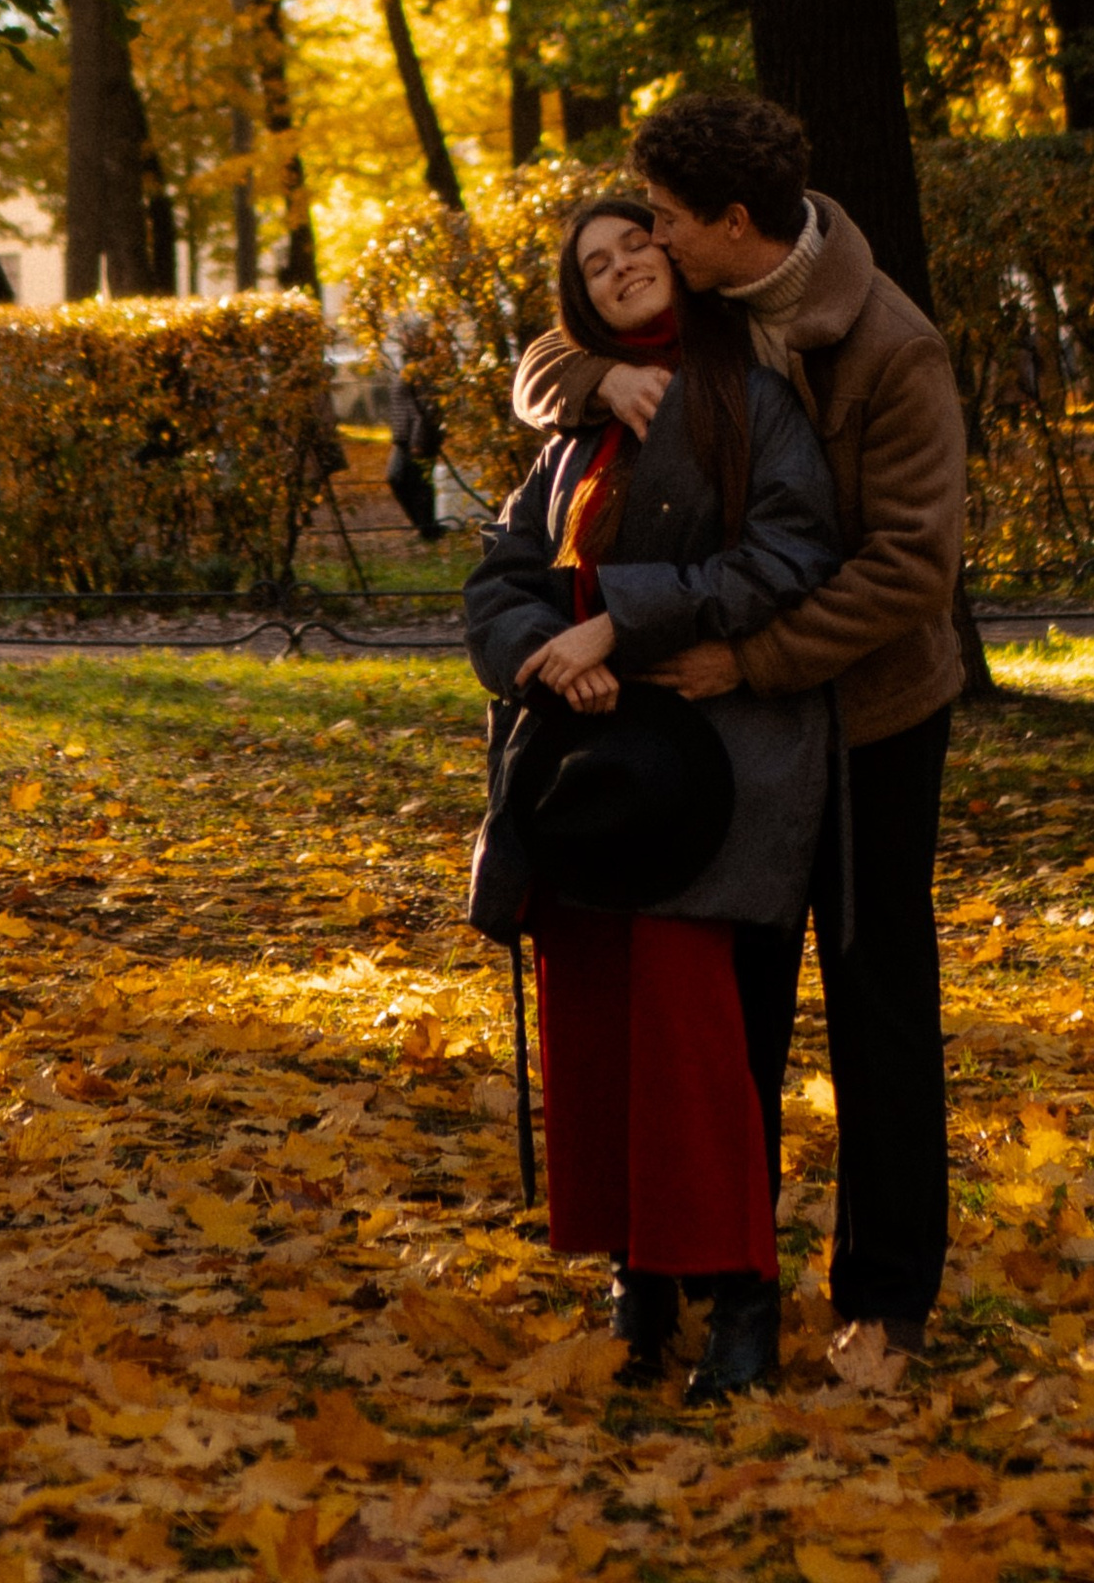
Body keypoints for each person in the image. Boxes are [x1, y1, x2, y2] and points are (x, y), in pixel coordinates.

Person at [512, 91, 966, 1383]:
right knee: (732, 1006)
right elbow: (545, 360)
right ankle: (727, 1278)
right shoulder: (701, 305)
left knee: (878, 998)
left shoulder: (890, 347)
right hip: (737, 741)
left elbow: (910, 572)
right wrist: (602, 374)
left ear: (732, 223)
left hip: (871, 718)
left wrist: (745, 656)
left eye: (664, 216)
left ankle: (888, 1298)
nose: (647, 235)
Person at [466, 191, 840, 1402]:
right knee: (594, 1031)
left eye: (639, 247)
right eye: (596, 261)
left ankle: (736, 1291)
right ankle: (640, 1278)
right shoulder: (572, 432)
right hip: (584, 776)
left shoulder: (754, 397)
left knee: (687, 1041)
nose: (622, 266)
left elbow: (790, 555)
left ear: (681, 263)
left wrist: (620, 625)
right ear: (580, 297)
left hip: (713, 769)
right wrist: (541, 653)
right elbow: (501, 575)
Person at [386, 327, 447, 542]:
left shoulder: (420, 371)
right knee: (401, 479)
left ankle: (428, 529)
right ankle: (425, 527)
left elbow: (425, 408)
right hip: (403, 436)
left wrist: (418, 440)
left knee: (415, 483)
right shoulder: (405, 367)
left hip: (416, 438)